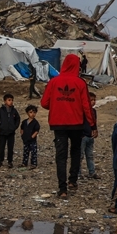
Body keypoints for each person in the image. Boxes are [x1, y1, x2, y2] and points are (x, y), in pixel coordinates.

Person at [41, 53, 93, 198]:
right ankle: (72, 180)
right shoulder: (80, 82)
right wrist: (92, 125)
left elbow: (44, 103)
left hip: (58, 124)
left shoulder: (53, 82)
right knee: (76, 151)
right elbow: (87, 106)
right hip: (76, 123)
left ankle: (62, 189)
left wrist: (58, 106)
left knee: (61, 155)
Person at [0, 93, 20, 168]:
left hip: (11, 132)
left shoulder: (14, 111)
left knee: (10, 148)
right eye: (9, 100)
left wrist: (15, 127)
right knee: (1, 147)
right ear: (5, 101)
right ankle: (0, 161)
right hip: (3, 132)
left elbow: (18, 119)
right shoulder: (1, 110)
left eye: (12, 100)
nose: (11, 102)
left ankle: (10, 161)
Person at [80, 92, 99, 180]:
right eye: (91, 100)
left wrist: (95, 131)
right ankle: (78, 173)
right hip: (83, 136)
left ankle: (92, 172)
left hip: (90, 136)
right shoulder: (82, 111)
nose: (93, 102)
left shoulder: (94, 111)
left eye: (94, 100)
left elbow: (94, 123)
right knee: (80, 155)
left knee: (90, 155)